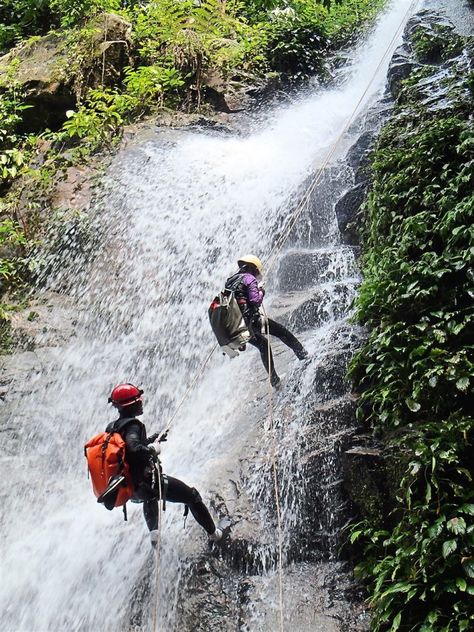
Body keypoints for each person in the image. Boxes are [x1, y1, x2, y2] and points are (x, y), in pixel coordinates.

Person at [105, 383, 223, 546]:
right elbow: (133, 448)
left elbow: (126, 449)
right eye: (139, 400)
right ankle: (214, 534)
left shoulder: (113, 427)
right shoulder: (133, 425)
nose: (142, 402)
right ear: (132, 404)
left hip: (130, 487)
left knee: (150, 495)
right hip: (145, 482)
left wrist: (151, 440)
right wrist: (151, 449)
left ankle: (154, 533)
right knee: (192, 496)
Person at [225, 254, 308, 389]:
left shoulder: (230, 281)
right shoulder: (249, 278)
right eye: (257, 271)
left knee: (263, 345)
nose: (258, 273)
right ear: (253, 268)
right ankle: (303, 355)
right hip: (251, 321)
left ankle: (275, 381)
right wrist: (261, 291)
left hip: (236, 327)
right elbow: (255, 300)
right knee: (282, 332)